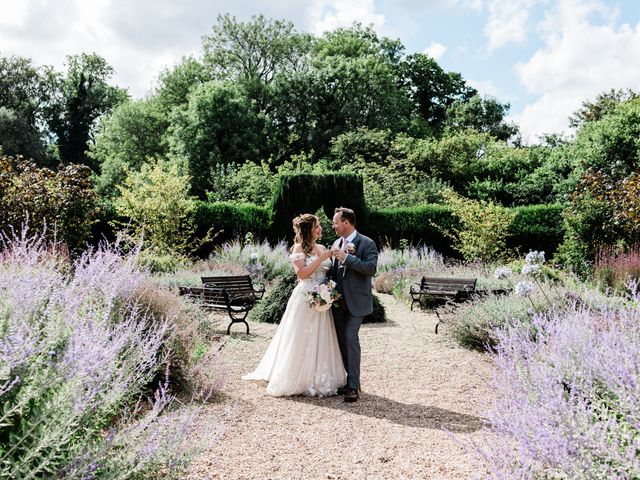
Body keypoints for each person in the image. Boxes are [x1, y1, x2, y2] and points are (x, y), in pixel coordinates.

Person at [243, 214, 346, 397]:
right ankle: (298, 377)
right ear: (308, 230)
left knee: (321, 336)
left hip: (321, 296)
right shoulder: (298, 248)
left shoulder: (321, 247)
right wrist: (320, 259)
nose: (320, 229)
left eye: (319, 225)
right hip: (305, 296)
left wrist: (328, 291)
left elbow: (329, 273)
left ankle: (320, 377)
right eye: (316, 226)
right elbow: (303, 274)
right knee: (301, 336)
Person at [330, 207, 378, 403]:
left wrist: (348, 258)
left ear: (346, 223)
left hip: (357, 301)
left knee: (351, 338)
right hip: (337, 301)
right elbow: (333, 272)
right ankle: (350, 380)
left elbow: (370, 268)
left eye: (335, 223)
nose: (333, 226)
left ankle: (353, 387)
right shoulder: (335, 243)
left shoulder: (367, 243)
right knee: (341, 341)